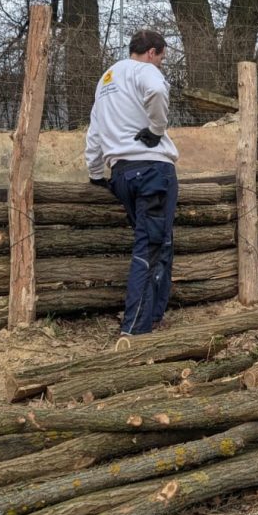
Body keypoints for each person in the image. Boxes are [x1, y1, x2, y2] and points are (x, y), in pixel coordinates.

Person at [84, 30, 180, 338]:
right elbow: (157, 92)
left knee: (159, 243)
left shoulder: (107, 79)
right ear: (152, 53)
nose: (161, 64)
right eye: (162, 58)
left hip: (122, 173)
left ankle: (153, 316)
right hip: (153, 171)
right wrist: (156, 128)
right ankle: (135, 327)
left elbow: (95, 131)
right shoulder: (145, 72)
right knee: (149, 249)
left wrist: (96, 172)